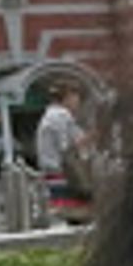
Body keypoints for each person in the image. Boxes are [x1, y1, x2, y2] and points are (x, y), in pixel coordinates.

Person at [35, 81, 93, 223]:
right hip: (65, 172)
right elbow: (66, 146)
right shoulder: (61, 115)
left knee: (69, 213)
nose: (78, 102)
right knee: (77, 213)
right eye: (76, 97)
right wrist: (92, 137)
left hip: (52, 171)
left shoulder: (48, 115)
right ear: (67, 97)